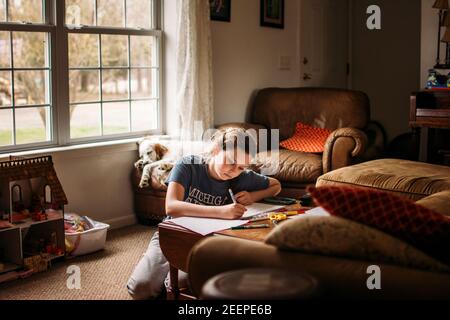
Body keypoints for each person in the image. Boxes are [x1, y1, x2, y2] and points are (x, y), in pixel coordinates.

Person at [127, 128, 282, 300]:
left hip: (205, 243)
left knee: (184, 284)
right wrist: (221, 212)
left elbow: (276, 186)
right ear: (216, 149)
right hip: (172, 234)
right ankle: (155, 269)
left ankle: (164, 283)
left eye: (241, 167)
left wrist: (252, 196)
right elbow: (171, 207)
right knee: (140, 289)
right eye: (230, 161)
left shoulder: (240, 177)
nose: (233, 170)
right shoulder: (188, 165)